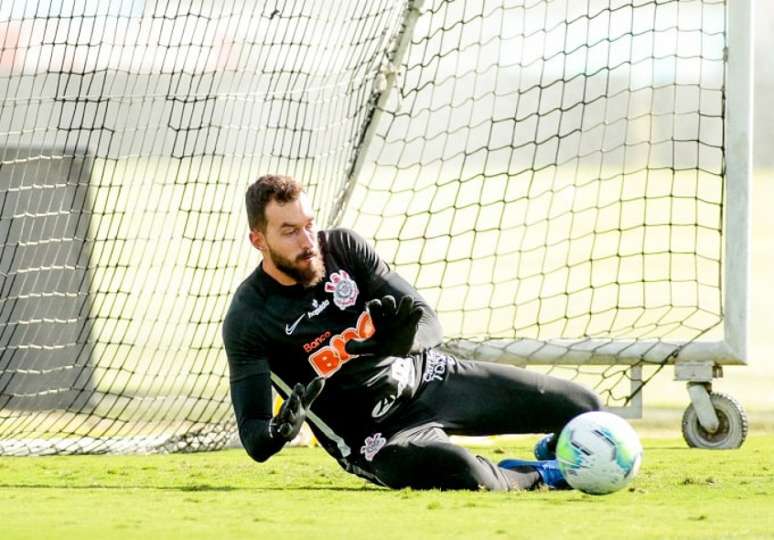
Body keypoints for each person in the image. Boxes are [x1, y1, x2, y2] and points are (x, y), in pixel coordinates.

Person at [222, 174, 602, 491]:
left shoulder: (343, 247)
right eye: (289, 231)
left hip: (431, 378)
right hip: (378, 437)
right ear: (259, 240)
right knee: (460, 470)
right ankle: (543, 474)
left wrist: (402, 344)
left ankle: (555, 448)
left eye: (308, 224)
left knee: (584, 408)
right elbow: (255, 438)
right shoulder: (248, 317)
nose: (307, 241)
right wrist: (279, 432)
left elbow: (428, 320)